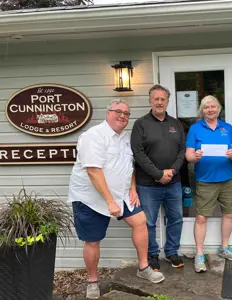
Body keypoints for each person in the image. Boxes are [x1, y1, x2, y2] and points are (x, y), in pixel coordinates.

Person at [68, 99, 165, 299]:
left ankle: (143, 267)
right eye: (118, 111)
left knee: (140, 222)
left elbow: (128, 167)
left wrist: (132, 189)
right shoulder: (93, 136)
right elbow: (93, 171)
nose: (122, 116)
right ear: (108, 113)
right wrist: (110, 201)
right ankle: (93, 281)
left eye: (126, 113)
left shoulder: (126, 138)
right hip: (90, 198)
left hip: (122, 195)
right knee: (93, 241)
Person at [131, 84, 186, 271]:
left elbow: (182, 150)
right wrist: (158, 174)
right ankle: (152, 254)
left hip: (174, 183)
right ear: (150, 100)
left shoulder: (176, 124)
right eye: (156, 99)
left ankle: (171, 252)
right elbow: (138, 154)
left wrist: (172, 171)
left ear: (168, 101)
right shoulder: (140, 124)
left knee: (176, 219)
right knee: (148, 222)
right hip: (148, 185)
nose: (159, 102)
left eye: (163, 99)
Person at [185, 95, 232, 273]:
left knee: (229, 214)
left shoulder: (228, 128)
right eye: (207, 107)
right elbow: (188, 155)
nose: (210, 109)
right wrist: (194, 157)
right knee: (201, 217)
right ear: (202, 110)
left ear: (219, 109)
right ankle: (199, 254)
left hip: (227, 179)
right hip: (205, 180)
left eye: (213, 106)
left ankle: (224, 247)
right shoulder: (195, 129)